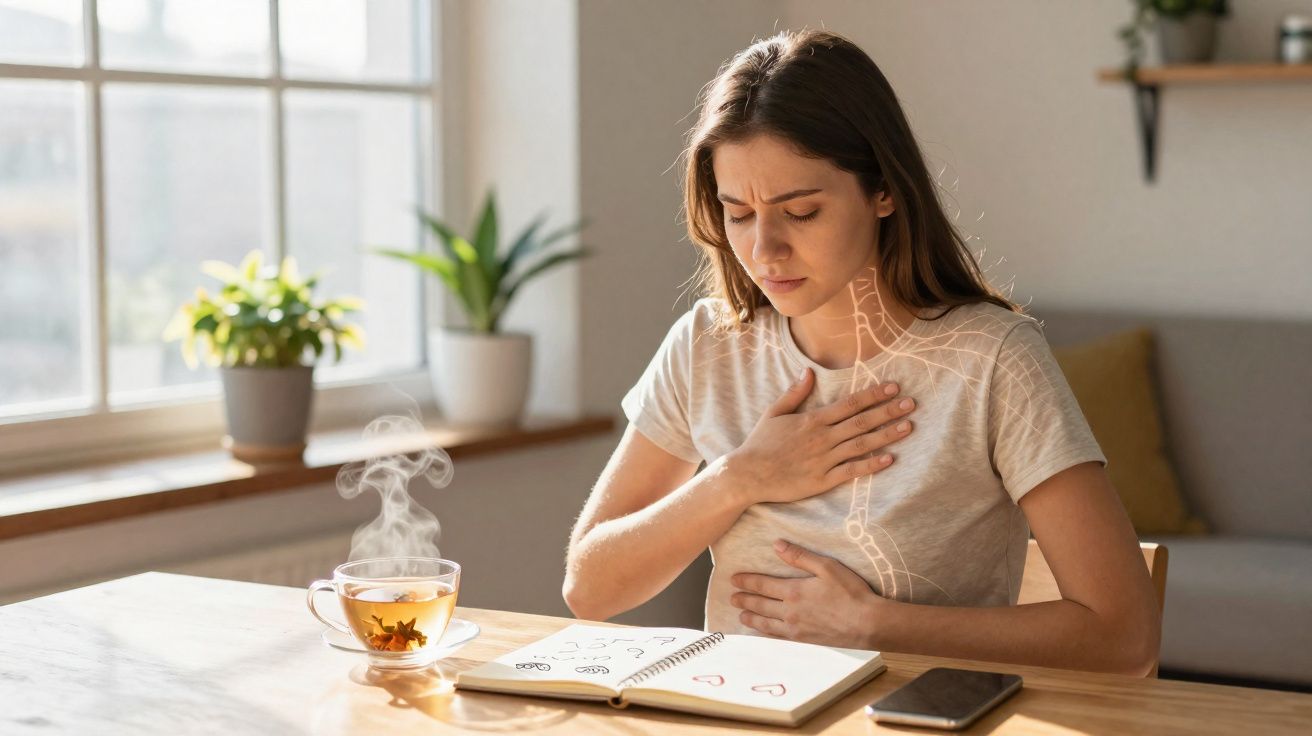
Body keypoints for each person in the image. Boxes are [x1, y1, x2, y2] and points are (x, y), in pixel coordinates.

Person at [563, 29, 1160, 676]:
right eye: (737, 212)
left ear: (884, 191)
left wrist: (875, 624)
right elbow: (590, 588)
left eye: (801, 211)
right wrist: (740, 477)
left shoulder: (992, 359)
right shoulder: (708, 346)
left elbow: (1123, 632)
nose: (764, 248)